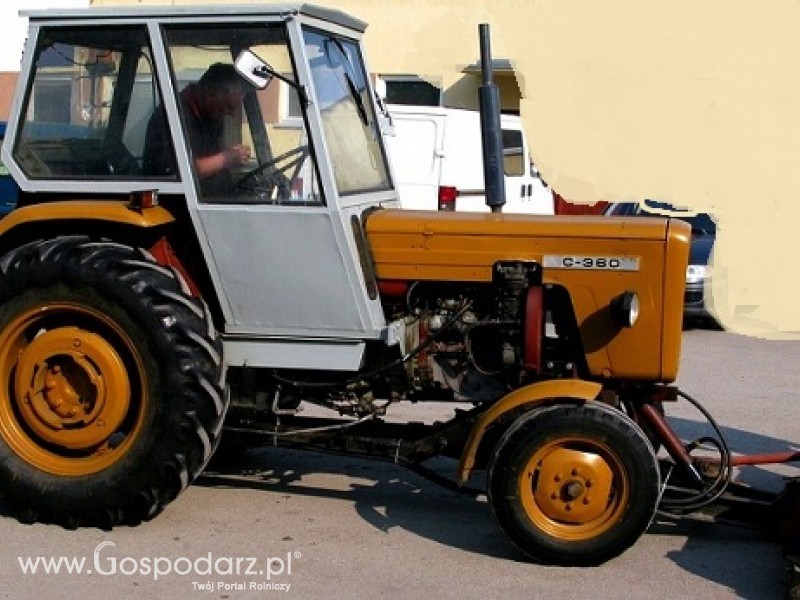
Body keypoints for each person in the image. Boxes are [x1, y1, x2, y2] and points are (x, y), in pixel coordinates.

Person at [144, 63, 251, 195]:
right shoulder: (172, 117)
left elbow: (212, 160)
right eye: (229, 106)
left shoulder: (211, 115)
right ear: (209, 93)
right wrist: (225, 159)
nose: (231, 114)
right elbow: (176, 174)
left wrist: (233, 155)